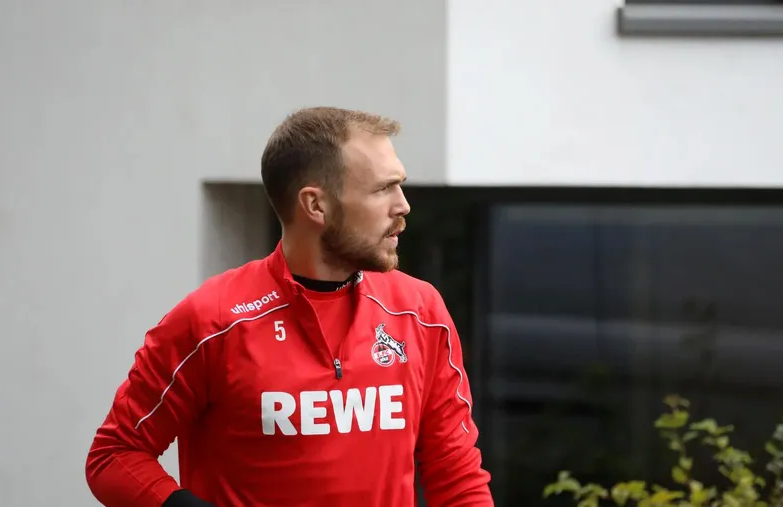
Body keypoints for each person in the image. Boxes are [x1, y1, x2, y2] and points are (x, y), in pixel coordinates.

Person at [85, 106, 494, 506]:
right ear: (316, 205)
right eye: (382, 189)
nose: (402, 205)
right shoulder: (212, 322)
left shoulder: (420, 311)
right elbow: (114, 456)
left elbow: (457, 479)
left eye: (399, 185)